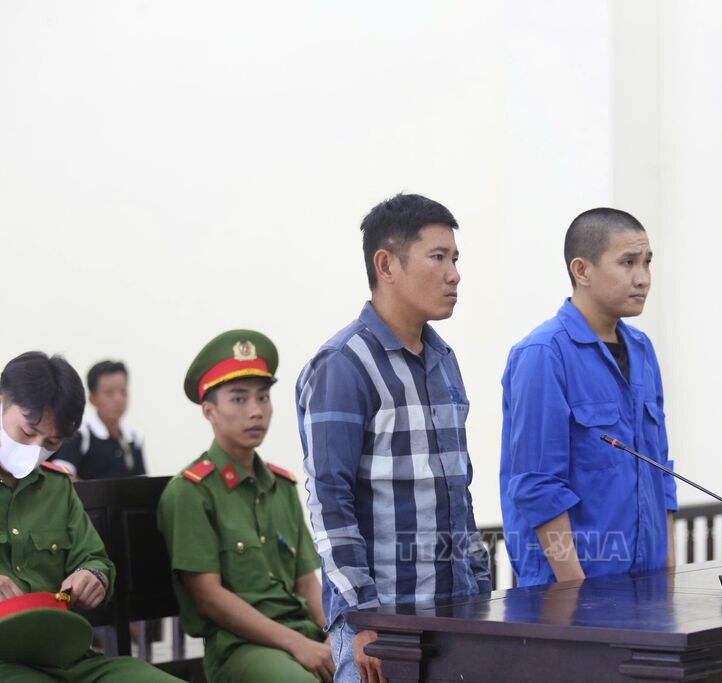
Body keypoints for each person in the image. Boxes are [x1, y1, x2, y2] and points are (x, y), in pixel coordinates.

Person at [297, 193, 492, 683]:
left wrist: (480, 589)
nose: (454, 274)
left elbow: (458, 491)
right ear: (386, 264)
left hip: (455, 618)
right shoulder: (343, 365)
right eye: (438, 257)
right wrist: (364, 618)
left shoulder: (443, 361)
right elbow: (329, 501)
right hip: (381, 630)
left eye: (456, 259)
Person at [499, 208, 678, 587]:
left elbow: (661, 469)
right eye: (627, 262)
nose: (643, 278)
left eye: (647, 262)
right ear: (582, 271)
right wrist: (575, 592)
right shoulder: (544, 354)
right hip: (571, 595)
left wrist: (667, 572)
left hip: (645, 587)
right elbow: (538, 486)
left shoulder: (642, 350)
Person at [157, 331, 333, 683]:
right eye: (239, 399)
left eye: (263, 397)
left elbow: (307, 582)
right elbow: (208, 598)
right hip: (239, 647)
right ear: (209, 411)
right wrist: (297, 644)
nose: (256, 411)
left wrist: (333, 633)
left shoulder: (282, 487)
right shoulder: (190, 493)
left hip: (302, 633)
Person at [0, 351, 177, 682]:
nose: (35, 449)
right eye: (26, 432)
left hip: (69, 657)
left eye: (51, 442)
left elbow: (94, 558)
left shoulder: (57, 488)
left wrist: (93, 576)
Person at [50, 360, 146, 479]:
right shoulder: (80, 433)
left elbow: (142, 482)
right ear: (92, 398)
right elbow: (60, 475)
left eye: (123, 391)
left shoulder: (134, 438)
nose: (118, 399)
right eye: (109, 393)